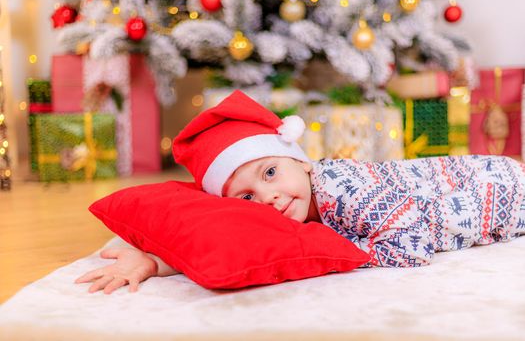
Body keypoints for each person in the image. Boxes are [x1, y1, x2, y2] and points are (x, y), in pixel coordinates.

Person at [76, 90, 525, 294]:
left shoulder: (341, 190)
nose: (267, 197)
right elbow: (231, 241)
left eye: (270, 172)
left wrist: (343, 251)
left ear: (303, 162)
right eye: (247, 197)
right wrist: (156, 261)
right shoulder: (290, 202)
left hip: (499, 186)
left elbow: (413, 241)